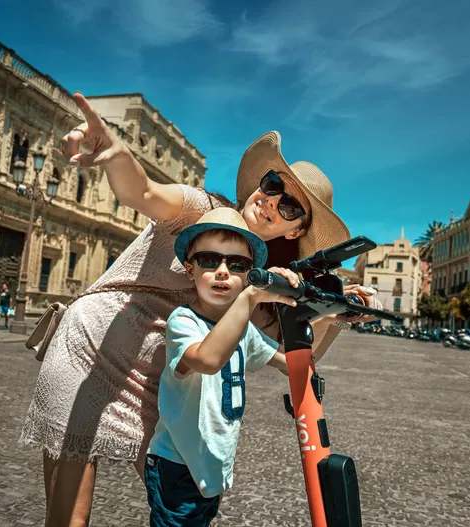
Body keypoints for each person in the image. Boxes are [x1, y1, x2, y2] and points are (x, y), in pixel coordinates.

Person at [19, 92, 381, 527]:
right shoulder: (202, 208)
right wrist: (116, 155)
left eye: (288, 205)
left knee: (180, 501)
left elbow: (297, 357)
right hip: (92, 347)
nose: (270, 200)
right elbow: (146, 191)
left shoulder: (260, 275)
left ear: (297, 227)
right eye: (272, 185)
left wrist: (336, 315)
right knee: (69, 503)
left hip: (167, 377)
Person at [145, 207, 297, 525]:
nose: (223, 271)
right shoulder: (183, 321)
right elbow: (209, 359)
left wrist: (335, 313)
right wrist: (250, 299)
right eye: (210, 260)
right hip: (178, 464)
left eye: (237, 264)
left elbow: (293, 363)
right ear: (190, 269)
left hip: (213, 468)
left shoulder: (241, 327)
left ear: (248, 274)